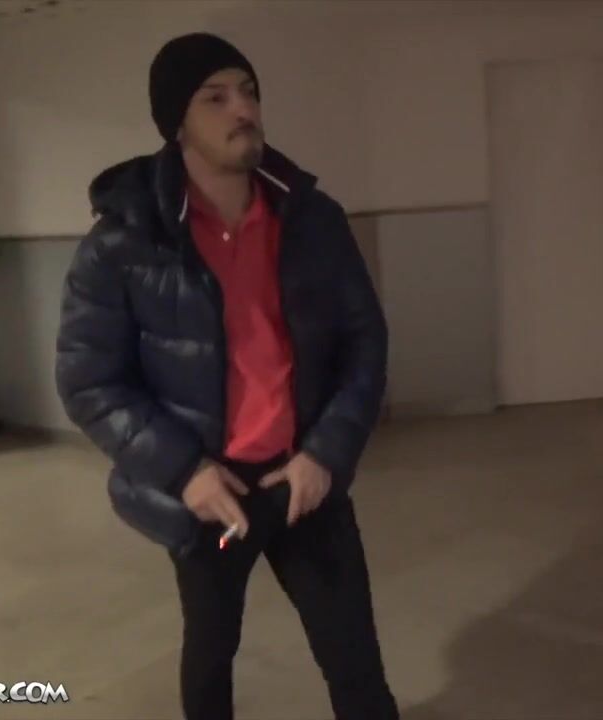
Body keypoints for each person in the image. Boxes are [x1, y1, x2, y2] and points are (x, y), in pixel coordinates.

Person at [54, 32, 398, 720]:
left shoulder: (313, 221)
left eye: (248, 92)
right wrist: (184, 472)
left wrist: (326, 453)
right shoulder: (124, 242)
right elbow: (89, 380)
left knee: (354, 659)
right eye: (215, 98)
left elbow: (365, 342)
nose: (242, 109)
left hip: (304, 485)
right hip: (216, 501)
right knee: (212, 653)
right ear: (176, 123)